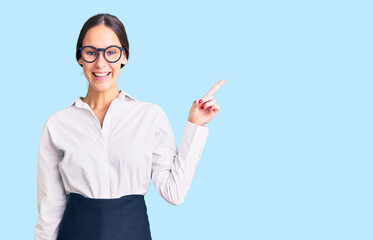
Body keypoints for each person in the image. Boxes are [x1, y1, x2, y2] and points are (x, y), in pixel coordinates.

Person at [35, 13, 225, 240]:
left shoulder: (149, 116)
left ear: (124, 56)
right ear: (80, 57)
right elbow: (50, 208)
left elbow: (174, 193)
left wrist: (195, 126)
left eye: (111, 52)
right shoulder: (58, 124)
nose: (101, 62)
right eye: (91, 52)